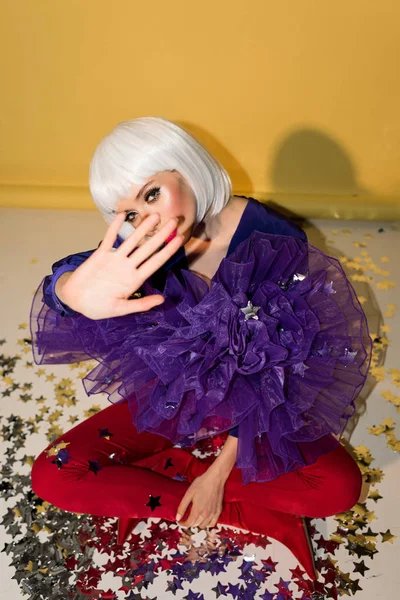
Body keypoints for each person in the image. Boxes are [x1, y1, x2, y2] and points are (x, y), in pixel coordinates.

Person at [30, 117, 372, 580]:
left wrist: (218, 472)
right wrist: (67, 292)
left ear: (188, 167)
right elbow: (84, 270)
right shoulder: (145, 244)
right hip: (176, 395)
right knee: (53, 475)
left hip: (261, 410)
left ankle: (176, 483)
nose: (145, 220)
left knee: (338, 488)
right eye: (127, 212)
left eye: (151, 193)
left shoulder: (271, 239)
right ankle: (215, 505)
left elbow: (282, 369)